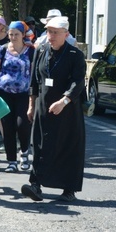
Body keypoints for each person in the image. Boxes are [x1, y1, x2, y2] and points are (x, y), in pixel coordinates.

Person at [21, 16, 86, 203]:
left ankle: (69, 189)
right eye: (49, 32)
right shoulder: (40, 50)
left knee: (67, 147)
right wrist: (31, 104)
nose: (51, 36)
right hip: (43, 105)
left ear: (66, 34)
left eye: (56, 32)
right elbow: (34, 79)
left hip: (66, 109)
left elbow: (78, 82)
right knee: (40, 144)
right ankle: (35, 184)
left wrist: (64, 101)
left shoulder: (75, 55)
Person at [0, 21, 35, 173]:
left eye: (16, 34)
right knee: (7, 127)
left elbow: (34, 73)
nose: (13, 37)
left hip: (24, 94)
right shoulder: (3, 49)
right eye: (10, 34)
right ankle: (11, 160)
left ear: (23, 34)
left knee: (22, 124)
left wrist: (34, 94)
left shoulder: (31, 51)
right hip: (4, 93)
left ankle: (24, 153)